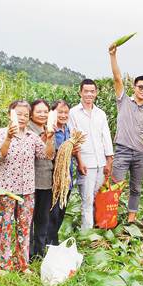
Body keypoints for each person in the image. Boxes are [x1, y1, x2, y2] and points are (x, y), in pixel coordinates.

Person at [0, 100, 54, 272]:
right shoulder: (0, 133)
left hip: (27, 190)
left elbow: (47, 155)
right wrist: (9, 138)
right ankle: (4, 265)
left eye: (26, 115)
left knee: (24, 228)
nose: (23, 118)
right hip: (5, 189)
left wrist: (49, 139)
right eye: (19, 114)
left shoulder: (32, 137)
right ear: (10, 114)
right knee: (5, 226)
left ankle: (22, 264)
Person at [108, 44, 143, 223]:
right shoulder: (124, 101)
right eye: (140, 87)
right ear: (134, 87)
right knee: (115, 186)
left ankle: (131, 218)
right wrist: (113, 56)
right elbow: (117, 78)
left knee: (136, 188)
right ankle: (110, 218)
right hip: (122, 151)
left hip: (140, 155)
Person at [68, 79, 114, 232]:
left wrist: (109, 161)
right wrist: (79, 161)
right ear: (80, 92)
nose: (89, 94)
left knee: (97, 196)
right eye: (86, 91)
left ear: (96, 93)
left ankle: (97, 225)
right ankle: (87, 233)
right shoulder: (73, 113)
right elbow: (74, 139)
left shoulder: (100, 114)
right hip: (85, 162)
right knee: (86, 199)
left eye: (92, 91)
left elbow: (106, 137)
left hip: (100, 161)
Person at [28, 99, 57, 258]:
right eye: (38, 111)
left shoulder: (48, 128)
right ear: (31, 113)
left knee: (42, 218)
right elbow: (34, 151)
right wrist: (45, 138)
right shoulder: (28, 129)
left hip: (46, 179)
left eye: (45, 112)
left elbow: (50, 154)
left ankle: (40, 252)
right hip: (31, 180)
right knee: (29, 219)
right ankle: (28, 252)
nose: (42, 114)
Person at [51, 100, 76, 240]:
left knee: (62, 210)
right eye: (60, 112)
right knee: (53, 212)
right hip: (55, 179)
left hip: (68, 178)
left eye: (66, 112)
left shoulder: (68, 129)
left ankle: (53, 238)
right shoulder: (50, 131)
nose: (63, 115)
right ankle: (49, 242)